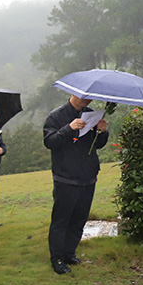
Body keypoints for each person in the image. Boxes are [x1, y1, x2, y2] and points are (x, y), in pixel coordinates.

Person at [43, 95, 108, 274]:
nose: (87, 100)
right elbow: (50, 142)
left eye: (90, 98)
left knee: (79, 219)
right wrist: (68, 128)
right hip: (66, 177)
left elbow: (98, 144)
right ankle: (57, 258)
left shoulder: (91, 115)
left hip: (88, 176)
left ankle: (69, 253)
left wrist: (102, 132)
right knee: (61, 219)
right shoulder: (56, 116)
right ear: (74, 93)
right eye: (84, 97)